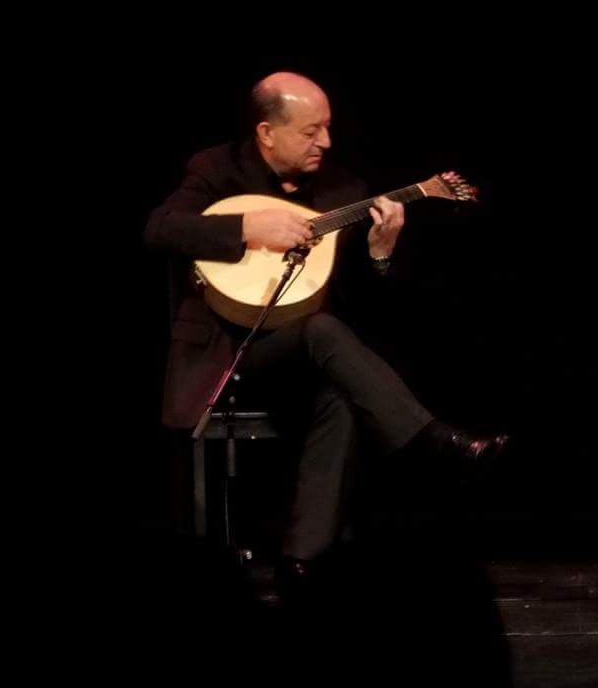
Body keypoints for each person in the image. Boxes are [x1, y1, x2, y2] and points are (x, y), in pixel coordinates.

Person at [144, 71, 505, 597]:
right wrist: (247, 228)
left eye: (328, 128)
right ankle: (431, 442)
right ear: (267, 133)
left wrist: (380, 256)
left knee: (336, 380)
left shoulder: (343, 191)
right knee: (322, 334)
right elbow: (160, 229)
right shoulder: (215, 170)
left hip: (304, 361)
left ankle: (302, 564)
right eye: (310, 131)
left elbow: (366, 317)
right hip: (228, 357)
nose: (326, 142)